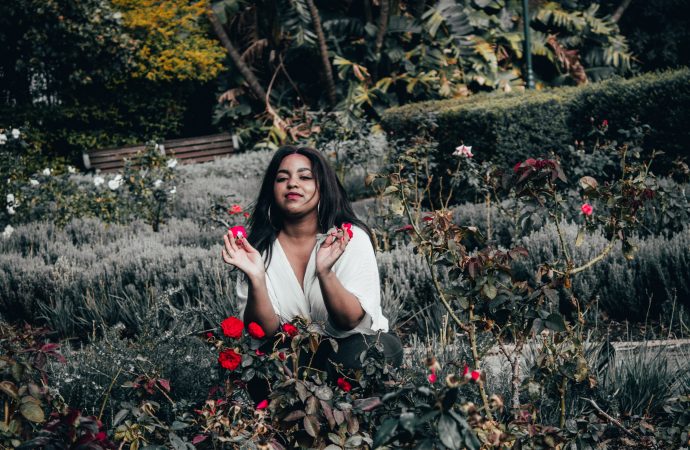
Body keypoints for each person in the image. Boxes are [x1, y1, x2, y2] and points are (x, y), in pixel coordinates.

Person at [221, 145, 402, 382]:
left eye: (305, 177)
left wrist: (325, 272)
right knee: (262, 371)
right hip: (293, 358)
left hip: (351, 348)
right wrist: (256, 279)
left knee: (365, 355)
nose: (292, 183)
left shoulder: (348, 238)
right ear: (272, 190)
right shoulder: (257, 249)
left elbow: (350, 321)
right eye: (282, 178)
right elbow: (263, 331)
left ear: (323, 187)